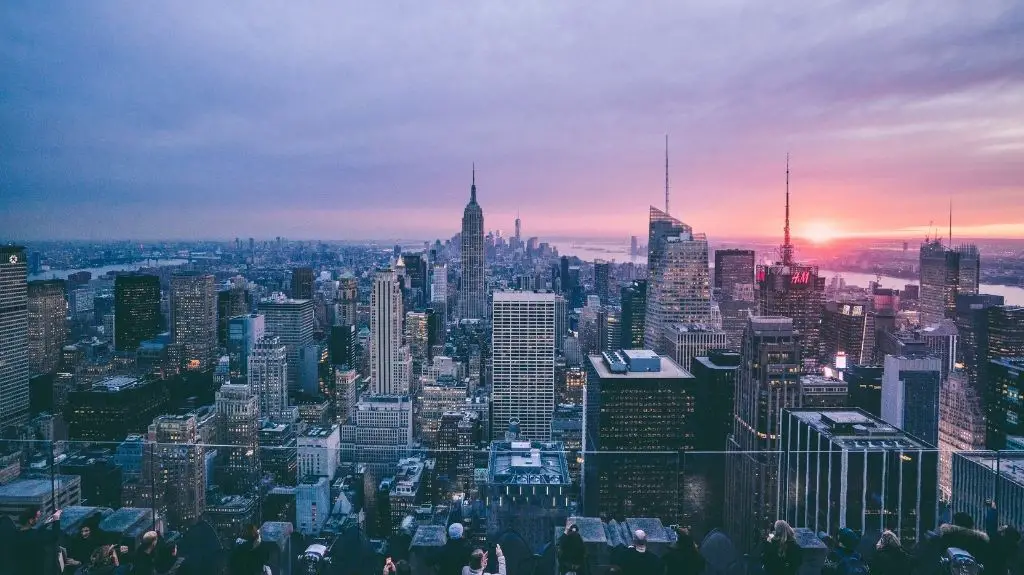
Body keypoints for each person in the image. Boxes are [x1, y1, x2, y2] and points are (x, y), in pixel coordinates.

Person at [10, 505, 62, 575]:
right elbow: (55, 536)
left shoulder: (16, 533)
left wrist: (45, 524)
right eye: (37, 517)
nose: (38, 519)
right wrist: (57, 519)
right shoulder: (35, 536)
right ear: (31, 520)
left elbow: (32, 533)